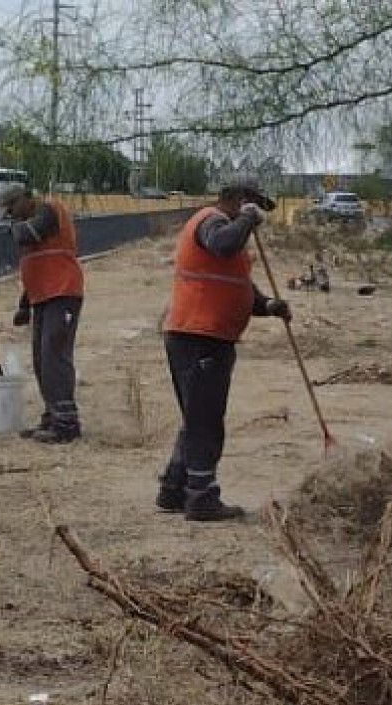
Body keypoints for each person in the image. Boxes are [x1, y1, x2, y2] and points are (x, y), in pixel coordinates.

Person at [155, 174, 292, 523]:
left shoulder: (232, 235)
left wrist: (269, 305)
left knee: (197, 417)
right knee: (206, 421)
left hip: (204, 336)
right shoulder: (211, 222)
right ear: (239, 199)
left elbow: (238, 287)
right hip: (199, 336)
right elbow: (222, 244)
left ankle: (174, 488)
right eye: (255, 205)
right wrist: (246, 218)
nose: (259, 216)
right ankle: (201, 497)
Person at [3, 184, 86, 443]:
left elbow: (27, 234)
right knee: (41, 358)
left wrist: (13, 227)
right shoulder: (33, 218)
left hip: (62, 292)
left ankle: (66, 423)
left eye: (12, 207)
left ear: (26, 198)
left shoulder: (49, 210)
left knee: (54, 357)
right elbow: (36, 265)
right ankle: (52, 416)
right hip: (43, 297)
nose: (12, 214)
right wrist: (24, 305)